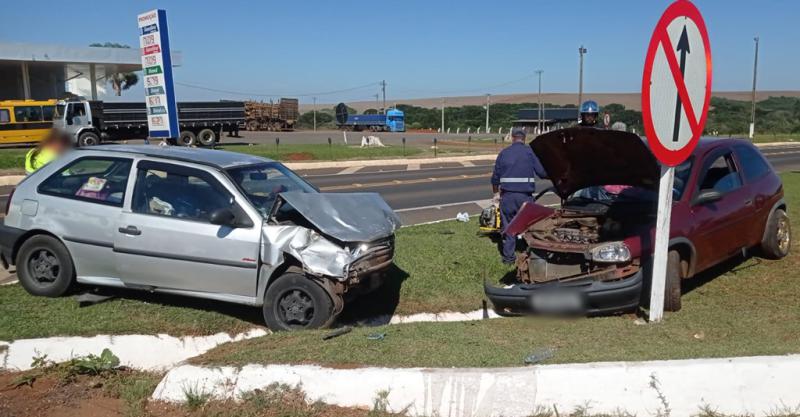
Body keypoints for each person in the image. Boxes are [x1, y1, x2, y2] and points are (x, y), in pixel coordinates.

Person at [491, 128, 548, 264]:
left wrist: (496, 194)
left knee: (509, 228)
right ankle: (532, 256)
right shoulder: (530, 152)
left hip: (508, 198)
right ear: (524, 138)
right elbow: (542, 173)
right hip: (525, 197)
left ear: (512, 137)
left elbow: (495, 179)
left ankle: (508, 258)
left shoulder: (503, 153)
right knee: (529, 227)